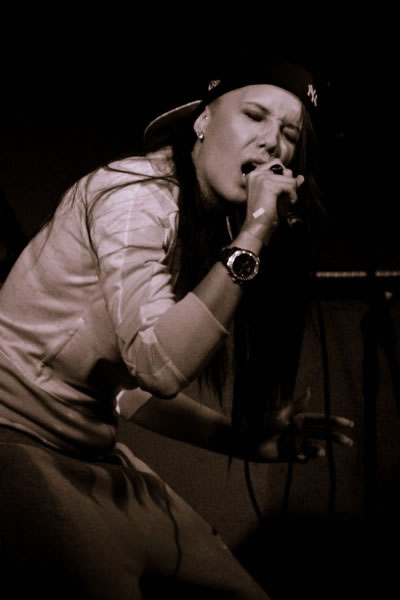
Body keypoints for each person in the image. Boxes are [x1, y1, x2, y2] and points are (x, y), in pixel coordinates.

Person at [0, 55, 353, 599]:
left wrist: (242, 439)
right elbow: (159, 368)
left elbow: (126, 391)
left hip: (92, 457)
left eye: (289, 133)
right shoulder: (135, 199)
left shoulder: (200, 223)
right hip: (18, 445)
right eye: (254, 115)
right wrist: (256, 232)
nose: (272, 144)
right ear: (203, 121)